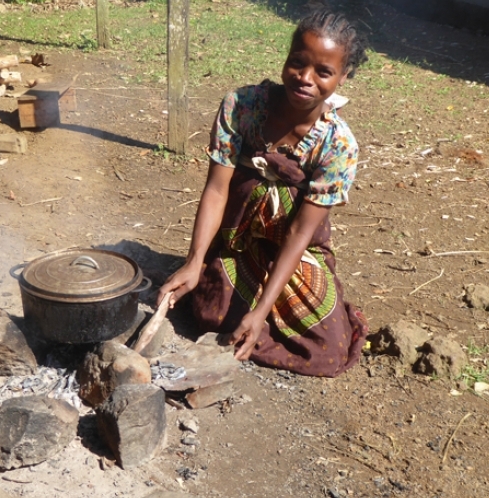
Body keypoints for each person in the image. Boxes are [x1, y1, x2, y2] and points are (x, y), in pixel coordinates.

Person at [157, 9, 369, 378]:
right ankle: (217, 274)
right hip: (239, 241)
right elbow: (217, 189)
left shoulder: (339, 146)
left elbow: (300, 233)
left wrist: (260, 310)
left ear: (343, 76)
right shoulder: (242, 106)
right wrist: (194, 260)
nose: (305, 78)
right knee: (212, 312)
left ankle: (259, 313)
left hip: (293, 249)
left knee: (329, 348)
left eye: (323, 72)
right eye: (297, 63)